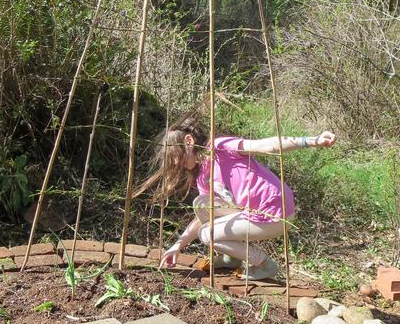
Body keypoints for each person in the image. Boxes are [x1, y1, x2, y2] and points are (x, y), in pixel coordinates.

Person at [135, 117, 336, 279]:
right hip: (251, 212)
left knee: (207, 235)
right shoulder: (203, 178)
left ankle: (264, 264)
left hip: (274, 213)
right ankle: (232, 258)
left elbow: (267, 146)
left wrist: (310, 141)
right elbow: (203, 216)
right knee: (202, 205)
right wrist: (178, 245)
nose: (175, 164)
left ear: (189, 142)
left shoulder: (220, 148)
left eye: (175, 157)